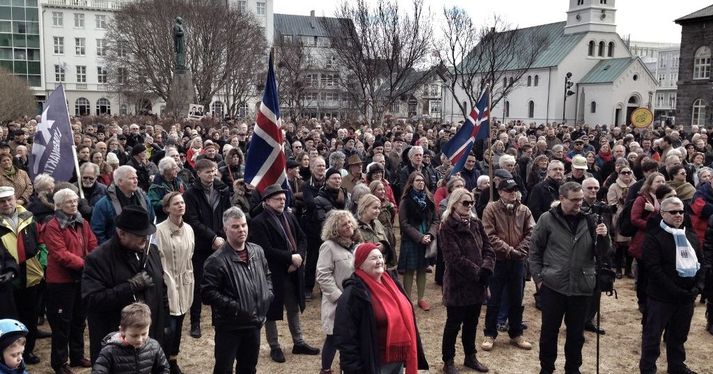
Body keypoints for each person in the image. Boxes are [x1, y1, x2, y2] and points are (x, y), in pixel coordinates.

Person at [529, 182, 612, 374]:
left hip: (582, 286)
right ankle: (546, 368)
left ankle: (573, 369)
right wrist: (539, 280)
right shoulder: (546, 219)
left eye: (581, 199)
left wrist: (604, 237)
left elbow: (602, 254)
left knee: (576, 334)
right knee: (549, 332)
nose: (578, 203)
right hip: (552, 285)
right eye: (574, 200)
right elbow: (534, 252)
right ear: (562, 198)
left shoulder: (591, 219)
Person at [81, 206, 167, 364]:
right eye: (139, 235)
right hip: (117, 343)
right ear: (121, 233)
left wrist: (165, 324)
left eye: (147, 234)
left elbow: (161, 290)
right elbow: (91, 300)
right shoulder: (98, 259)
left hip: (149, 338)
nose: (145, 239)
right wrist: (129, 287)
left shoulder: (151, 251)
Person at [249, 184, 319, 363]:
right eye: (277, 199)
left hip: (293, 271)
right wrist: (290, 258)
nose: (282, 202)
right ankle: (274, 346)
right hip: (273, 273)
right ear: (267, 201)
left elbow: (302, 238)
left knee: (293, 307)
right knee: (271, 311)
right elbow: (264, 249)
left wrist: (299, 258)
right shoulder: (259, 221)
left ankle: (299, 342)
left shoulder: (289, 215)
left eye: (283, 198)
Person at [334, 242, 429, 374]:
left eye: (380, 257)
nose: (379, 261)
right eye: (373, 258)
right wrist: (354, 369)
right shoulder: (353, 294)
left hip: (398, 357)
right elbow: (345, 338)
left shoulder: (391, 282)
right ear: (359, 264)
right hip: (373, 363)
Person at [201, 207, 273, 374]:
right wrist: (235, 307)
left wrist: (267, 295)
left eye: (243, 225)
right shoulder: (216, 261)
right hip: (230, 326)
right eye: (235, 226)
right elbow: (207, 294)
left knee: (248, 368)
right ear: (225, 230)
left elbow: (267, 275)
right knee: (224, 369)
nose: (241, 230)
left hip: (254, 322)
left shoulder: (257, 251)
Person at [639, 197, 703, 374]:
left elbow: (701, 262)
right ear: (662, 213)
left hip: (687, 296)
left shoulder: (690, 234)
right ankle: (648, 369)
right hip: (661, 297)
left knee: (678, 336)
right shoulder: (654, 236)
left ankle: (677, 366)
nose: (678, 215)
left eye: (681, 211)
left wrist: (698, 287)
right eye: (673, 212)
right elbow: (653, 268)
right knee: (652, 337)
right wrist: (675, 291)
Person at [439, 188, 495, 373]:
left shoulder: (476, 223)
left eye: (471, 203)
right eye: (465, 203)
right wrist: (478, 272)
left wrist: (486, 268)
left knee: (472, 323)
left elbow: (488, 248)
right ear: (454, 203)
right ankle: (448, 361)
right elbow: (454, 258)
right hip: (458, 285)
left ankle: (470, 356)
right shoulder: (447, 226)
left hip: (478, 284)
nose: (469, 206)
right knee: (453, 324)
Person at [43, 188, 97, 374]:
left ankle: (77, 355)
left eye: (75, 201)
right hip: (61, 281)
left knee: (79, 320)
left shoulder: (82, 222)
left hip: (80, 278)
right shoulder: (52, 225)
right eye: (69, 202)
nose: (74, 204)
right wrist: (86, 264)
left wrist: (90, 260)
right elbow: (60, 254)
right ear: (58, 205)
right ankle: (59, 363)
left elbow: (92, 243)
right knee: (61, 323)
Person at [480, 179, 534, 353]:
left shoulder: (524, 210)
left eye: (515, 190)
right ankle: (490, 333)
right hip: (499, 260)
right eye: (509, 190)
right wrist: (510, 250)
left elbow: (531, 232)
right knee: (494, 298)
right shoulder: (491, 209)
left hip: (518, 261)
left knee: (517, 298)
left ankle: (516, 333)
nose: (513, 193)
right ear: (500, 192)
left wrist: (520, 250)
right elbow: (489, 235)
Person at [183, 158, 231, 338]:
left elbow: (227, 213)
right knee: (198, 284)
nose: (211, 175)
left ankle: (217, 317)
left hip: (220, 242)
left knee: (219, 282)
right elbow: (192, 220)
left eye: (213, 171)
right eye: (207, 172)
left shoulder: (223, 190)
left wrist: (222, 235)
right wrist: (212, 237)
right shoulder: (190, 194)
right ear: (199, 173)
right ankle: (195, 322)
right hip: (201, 245)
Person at [0, 186, 43, 365]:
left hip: (31, 272)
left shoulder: (28, 216)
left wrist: (43, 263)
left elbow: (41, 241)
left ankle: (28, 351)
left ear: (15, 199)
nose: (6, 204)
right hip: (9, 276)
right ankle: (11, 354)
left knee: (30, 315)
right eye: (2, 201)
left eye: (9, 199)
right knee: (12, 317)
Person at [315, 210, 361, 374]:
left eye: (350, 222)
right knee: (334, 337)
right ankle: (325, 370)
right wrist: (340, 298)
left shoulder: (356, 243)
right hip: (338, 302)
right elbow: (323, 275)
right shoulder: (328, 246)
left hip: (356, 301)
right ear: (335, 228)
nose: (349, 226)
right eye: (344, 224)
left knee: (353, 339)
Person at [155, 192, 194, 374]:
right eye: (176, 203)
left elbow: (190, 255)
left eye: (182, 202)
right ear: (167, 208)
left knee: (179, 325)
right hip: (166, 283)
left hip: (184, 282)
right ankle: (161, 362)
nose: (180, 206)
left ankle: (173, 359)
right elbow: (157, 257)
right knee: (167, 328)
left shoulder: (189, 230)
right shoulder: (159, 231)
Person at [93, 303, 170, 374]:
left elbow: (163, 369)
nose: (140, 339)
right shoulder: (109, 351)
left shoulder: (154, 346)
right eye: (134, 335)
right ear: (122, 331)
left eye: (144, 334)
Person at [398, 171, 437, 311]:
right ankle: (407, 299)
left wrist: (430, 235)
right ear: (411, 183)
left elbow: (435, 220)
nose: (421, 183)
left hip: (427, 238)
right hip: (411, 240)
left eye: (422, 180)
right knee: (409, 270)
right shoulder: (405, 200)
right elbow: (404, 223)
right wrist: (420, 237)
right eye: (417, 180)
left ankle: (421, 298)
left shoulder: (429, 198)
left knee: (422, 269)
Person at [91, 165, 155, 244]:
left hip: (142, 247)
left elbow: (151, 220)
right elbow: (98, 232)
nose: (136, 181)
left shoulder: (144, 199)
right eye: (131, 178)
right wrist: (109, 250)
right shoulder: (104, 204)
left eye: (136, 178)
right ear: (120, 181)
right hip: (115, 251)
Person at [148, 157, 186, 223]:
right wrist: (170, 201)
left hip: (181, 218)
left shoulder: (179, 181)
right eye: (173, 169)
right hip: (165, 220)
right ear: (166, 171)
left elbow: (186, 192)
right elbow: (153, 204)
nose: (177, 170)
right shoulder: (156, 186)